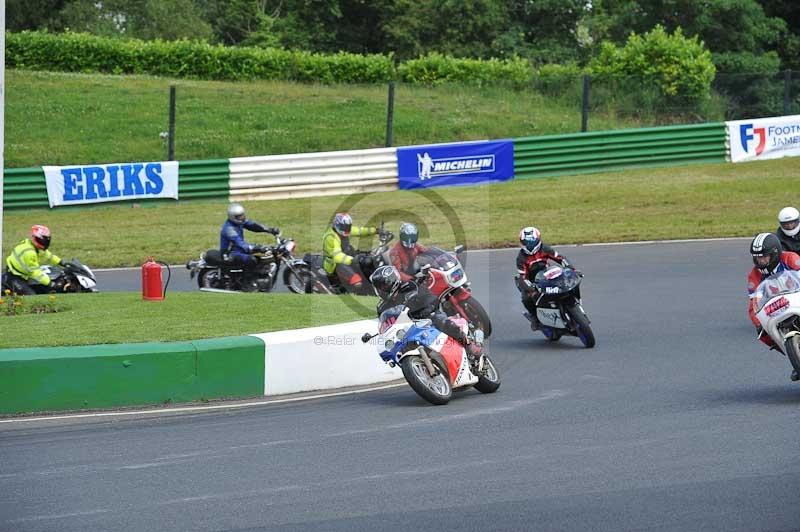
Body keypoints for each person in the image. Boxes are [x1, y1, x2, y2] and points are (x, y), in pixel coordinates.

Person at [370, 265, 483, 363]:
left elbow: (427, 296)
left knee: (442, 321)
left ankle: (469, 345)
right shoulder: (382, 306)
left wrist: (420, 302)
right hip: (407, 329)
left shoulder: (409, 286)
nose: (382, 290)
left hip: (427, 316)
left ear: (392, 281)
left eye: (383, 286)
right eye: (379, 287)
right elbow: (385, 321)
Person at [747, 232, 800, 381]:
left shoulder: (791, 258)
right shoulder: (754, 275)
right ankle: (795, 356)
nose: (761, 261)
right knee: (764, 335)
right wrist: (758, 323)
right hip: (776, 307)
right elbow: (753, 303)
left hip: (797, 297)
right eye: (757, 258)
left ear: (775, 253)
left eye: (764, 257)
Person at [514, 226, 573, 331]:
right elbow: (523, 277)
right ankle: (534, 318)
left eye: (532, 242)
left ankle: (571, 304)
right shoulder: (521, 258)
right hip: (530, 280)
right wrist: (531, 288)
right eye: (527, 242)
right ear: (522, 242)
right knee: (526, 298)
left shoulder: (545, 248)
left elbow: (560, 258)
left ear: (538, 240)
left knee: (564, 282)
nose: (530, 245)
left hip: (546, 274)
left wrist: (570, 268)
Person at [322, 212, 380, 292]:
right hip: (335, 265)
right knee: (357, 282)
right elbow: (337, 256)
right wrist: (352, 260)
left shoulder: (345, 230)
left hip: (346, 259)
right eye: (344, 227)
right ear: (337, 225)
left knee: (366, 257)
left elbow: (360, 231)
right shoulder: (330, 237)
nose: (347, 229)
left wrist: (376, 231)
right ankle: (352, 290)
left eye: (348, 227)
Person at [3, 225, 67, 295]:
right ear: (36, 238)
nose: (45, 242)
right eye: (43, 240)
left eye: (47, 239)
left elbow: (49, 256)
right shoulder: (30, 253)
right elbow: (36, 273)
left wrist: (62, 262)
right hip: (14, 276)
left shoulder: (35, 246)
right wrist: (51, 283)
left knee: (41, 288)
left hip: (23, 275)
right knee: (31, 296)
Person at [219, 203, 279, 269]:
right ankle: (249, 278)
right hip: (230, 253)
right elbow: (240, 243)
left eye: (242, 215)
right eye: (239, 216)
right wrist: (255, 247)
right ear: (232, 217)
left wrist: (269, 230)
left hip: (239, 250)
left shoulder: (239, 222)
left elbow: (253, 225)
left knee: (261, 257)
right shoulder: (229, 229)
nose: (242, 218)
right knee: (252, 260)